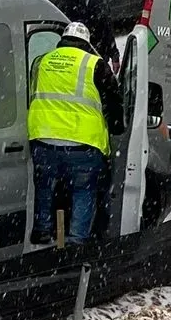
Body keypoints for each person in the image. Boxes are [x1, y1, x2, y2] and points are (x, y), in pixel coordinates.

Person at [28, 22, 124, 246]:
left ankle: (42, 232)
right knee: (83, 191)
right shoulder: (95, 64)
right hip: (83, 143)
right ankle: (76, 242)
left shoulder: (42, 61)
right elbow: (114, 99)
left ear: (62, 41)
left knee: (44, 186)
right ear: (87, 44)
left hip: (43, 139)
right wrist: (117, 127)